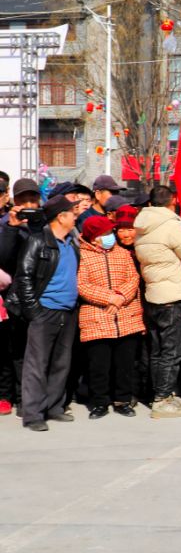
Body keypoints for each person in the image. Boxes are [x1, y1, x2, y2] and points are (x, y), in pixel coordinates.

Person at [135, 186, 181, 418]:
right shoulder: (171, 225)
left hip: (153, 295)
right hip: (173, 296)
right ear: (173, 201)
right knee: (172, 353)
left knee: (158, 351)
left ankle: (158, 394)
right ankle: (162, 399)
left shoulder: (142, 226)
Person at [13, 195, 79, 431]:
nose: (75, 217)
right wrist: (34, 311)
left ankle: (54, 407)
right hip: (45, 311)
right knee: (37, 364)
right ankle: (33, 414)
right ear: (61, 217)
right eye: (72, 213)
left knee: (61, 362)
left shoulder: (72, 242)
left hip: (68, 311)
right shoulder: (38, 241)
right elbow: (24, 277)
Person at [77, 215, 143, 419]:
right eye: (105, 233)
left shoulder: (122, 253)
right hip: (97, 315)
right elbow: (82, 285)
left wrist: (120, 297)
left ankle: (123, 400)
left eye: (110, 232)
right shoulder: (83, 256)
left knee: (125, 363)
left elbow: (133, 278)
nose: (110, 236)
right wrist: (109, 298)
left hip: (126, 314)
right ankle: (100, 402)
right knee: (99, 365)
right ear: (94, 237)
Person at [0, 177, 42, 415]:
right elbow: (4, 258)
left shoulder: (46, 223)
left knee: (38, 351)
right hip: (15, 298)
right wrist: (12, 227)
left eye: (32, 199)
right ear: (15, 201)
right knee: (16, 351)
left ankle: (34, 397)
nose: (28, 204)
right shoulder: (7, 223)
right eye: (23, 200)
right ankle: (18, 398)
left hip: (42, 296)